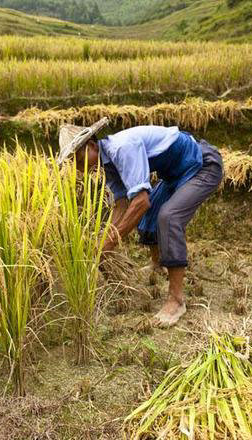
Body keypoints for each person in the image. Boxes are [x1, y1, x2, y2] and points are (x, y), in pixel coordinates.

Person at [57, 117, 223, 327]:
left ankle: (176, 301)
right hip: (176, 175)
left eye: (79, 160)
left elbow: (140, 202)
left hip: (202, 165)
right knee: (149, 213)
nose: (79, 168)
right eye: (74, 164)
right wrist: (104, 240)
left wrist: (108, 243)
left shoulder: (122, 148)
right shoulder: (108, 164)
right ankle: (157, 264)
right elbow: (122, 205)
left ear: (91, 145)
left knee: (168, 217)